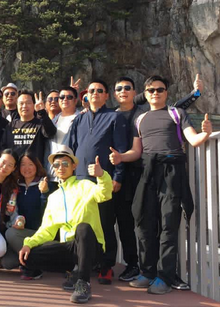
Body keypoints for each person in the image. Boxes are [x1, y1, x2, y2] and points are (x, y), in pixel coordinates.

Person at [109, 75, 212, 295]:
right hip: (147, 172)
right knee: (143, 222)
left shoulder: (177, 113)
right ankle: (147, 272)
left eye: (160, 89)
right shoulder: (140, 118)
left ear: (166, 93)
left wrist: (206, 133)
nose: (155, 93)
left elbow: (193, 140)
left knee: (168, 224)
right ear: (145, 94)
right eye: (151, 90)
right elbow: (136, 151)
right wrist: (120, 157)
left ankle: (164, 276)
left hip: (171, 170)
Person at [18, 146, 112, 304]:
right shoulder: (53, 197)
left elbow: (105, 193)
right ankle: (74, 271)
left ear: (74, 166)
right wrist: (28, 244)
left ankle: (83, 283)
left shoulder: (85, 186)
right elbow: (46, 230)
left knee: (83, 228)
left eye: (65, 163)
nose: (60, 167)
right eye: (56, 165)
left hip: (91, 248)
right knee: (30, 256)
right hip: (70, 249)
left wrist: (102, 175)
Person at [66, 79, 127, 285]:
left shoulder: (114, 117)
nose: (95, 93)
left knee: (105, 223)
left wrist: (117, 176)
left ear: (106, 95)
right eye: (91, 90)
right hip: (80, 180)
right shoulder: (79, 119)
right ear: (86, 95)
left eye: (100, 90)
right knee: (80, 223)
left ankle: (106, 266)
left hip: (103, 180)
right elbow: (70, 148)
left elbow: (119, 150)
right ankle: (82, 264)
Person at [1, 154, 49, 279]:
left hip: (38, 233)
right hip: (22, 233)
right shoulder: (16, 185)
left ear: (37, 166)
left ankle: (33, 266)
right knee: (7, 263)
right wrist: (11, 214)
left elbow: (47, 212)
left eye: (30, 164)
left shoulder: (44, 183)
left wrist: (44, 193)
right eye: (23, 164)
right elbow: (11, 212)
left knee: (11, 234)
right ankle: (32, 260)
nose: (26, 168)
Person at [1, 90, 56, 160]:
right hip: (15, 165)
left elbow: (51, 133)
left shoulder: (40, 124)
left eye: (28, 103)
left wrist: (42, 112)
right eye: (21, 103)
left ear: (34, 105)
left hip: (34, 165)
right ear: (17, 105)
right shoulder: (11, 126)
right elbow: (3, 147)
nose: (24, 106)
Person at [45, 85, 80, 186]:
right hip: (52, 175)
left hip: (72, 176)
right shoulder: (53, 121)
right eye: (61, 97)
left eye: (69, 97)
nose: (65, 99)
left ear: (75, 100)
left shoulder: (81, 119)